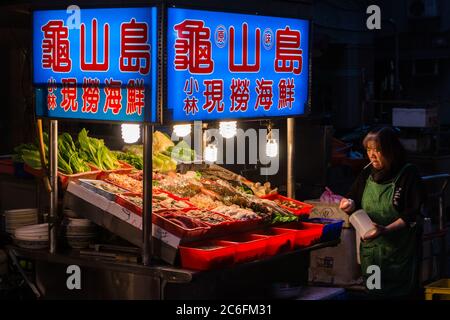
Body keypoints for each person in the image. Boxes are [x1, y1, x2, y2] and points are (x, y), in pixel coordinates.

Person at [339, 127, 426, 299]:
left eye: (378, 150)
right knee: (375, 292)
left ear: (391, 151)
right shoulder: (367, 173)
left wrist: (386, 230)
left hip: (400, 254)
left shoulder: (408, 173)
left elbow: (412, 213)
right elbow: (353, 198)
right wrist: (347, 204)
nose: (372, 155)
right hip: (372, 253)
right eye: (369, 150)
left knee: (400, 295)